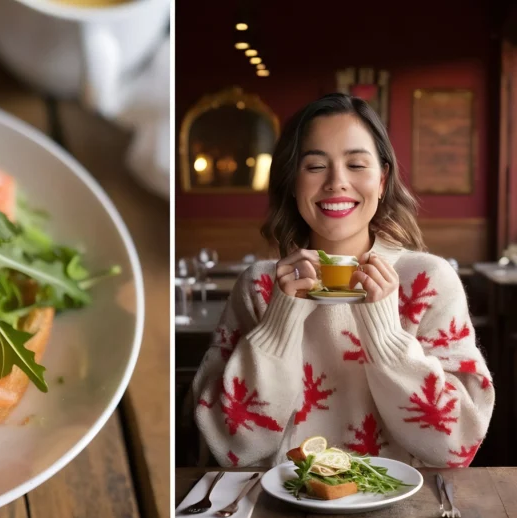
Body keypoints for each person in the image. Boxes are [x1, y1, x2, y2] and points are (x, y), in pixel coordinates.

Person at [192, 93, 494, 468]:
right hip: (277, 512)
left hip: (402, 513)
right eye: (315, 166)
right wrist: (278, 324)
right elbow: (233, 447)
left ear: (382, 180)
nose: (337, 182)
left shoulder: (428, 282)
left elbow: (456, 446)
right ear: (292, 182)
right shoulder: (259, 287)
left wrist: (385, 336)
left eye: (356, 164)